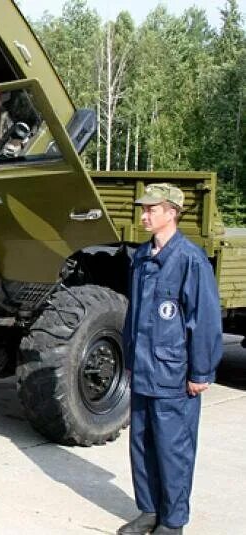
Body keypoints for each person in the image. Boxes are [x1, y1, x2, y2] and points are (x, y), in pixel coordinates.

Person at [118, 183, 223, 535]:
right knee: (142, 444)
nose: (144, 215)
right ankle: (148, 510)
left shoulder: (189, 259)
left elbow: (204, 320)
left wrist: (201, 371)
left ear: (171, 212)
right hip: (144, 370)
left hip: (173, 374)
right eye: (144, 209)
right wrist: (129, 358)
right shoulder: (141, 258)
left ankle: (173, 521)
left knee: (172, 448)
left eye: (152, 209)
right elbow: (134, 315)